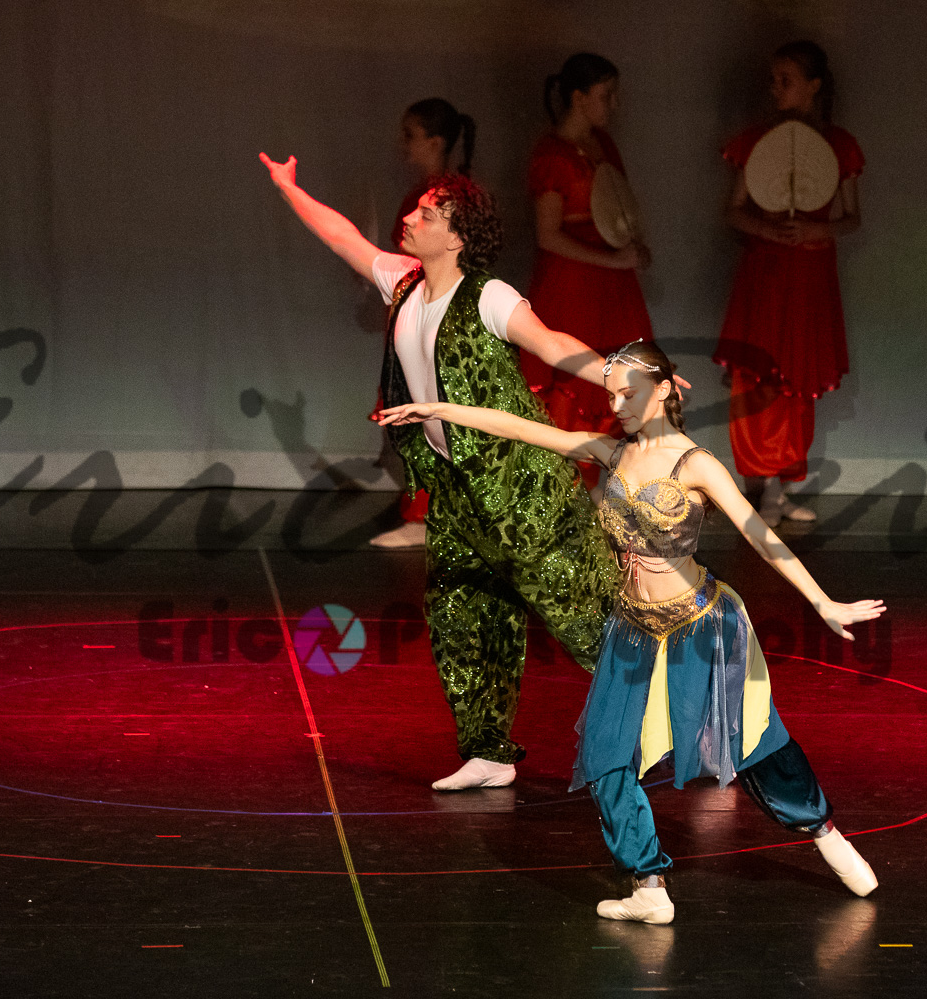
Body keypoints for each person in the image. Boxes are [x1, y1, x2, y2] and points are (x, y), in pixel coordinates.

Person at [378, 339, 884, 923]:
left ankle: (826, 835)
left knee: (752, 741)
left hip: (701, 624)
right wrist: (440, 409)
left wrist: (823, 602)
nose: (616, 405)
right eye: (611, 394)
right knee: (605, 753)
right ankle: (649, 886)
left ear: (664, 390)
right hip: (632, 627)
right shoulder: (613, 452)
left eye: (628, 393)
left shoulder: (695, 464)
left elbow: (761, 536)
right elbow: (520, 429)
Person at [260, 152, 627, 789]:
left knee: (585, 619)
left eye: (426, 214)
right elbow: (343, 237)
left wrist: (622, 376)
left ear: (456, 237)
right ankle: (489, 753)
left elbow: (552, 344)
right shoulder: (402, 282)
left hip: (522, 486)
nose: (409, 217)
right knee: (462, 615)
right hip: (456, 488)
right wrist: (289, 187)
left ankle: (691, 724)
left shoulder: (488, 296)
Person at [714, 41, 863, 527]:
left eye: (787, 80)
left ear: (814, 85)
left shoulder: (837, 145)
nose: (775, 89)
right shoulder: (758, 141)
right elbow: (734, 210)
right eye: (773, 80)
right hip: (767, 275)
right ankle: (763, 487)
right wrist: (766, 228)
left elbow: (852, 217)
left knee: (799, 378)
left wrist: (818, 230)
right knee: (761, 379)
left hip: (809, 279)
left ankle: (781, 487)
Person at [524, 54, 653, 490]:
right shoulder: (551, 155)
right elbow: (547, 235)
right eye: (606, 94)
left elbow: (616, 210)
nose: (614, 104)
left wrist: (630, 246)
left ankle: (596, 491)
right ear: (579, 98)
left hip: (611, 286)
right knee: (572, 383)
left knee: (616, 379)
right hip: (573, 285)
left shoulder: (604, 145)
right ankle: (564, 494)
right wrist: (615, 259)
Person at [371, 98, 478, 550]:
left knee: (427, 415)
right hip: (417, 317)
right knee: (414, 416)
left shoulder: (445, 199)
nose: (403, 145)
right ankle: (429, 515)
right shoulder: (424, 196)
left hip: (435, 323)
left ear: (436, 142)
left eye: (411, 135)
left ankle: (427, 519)